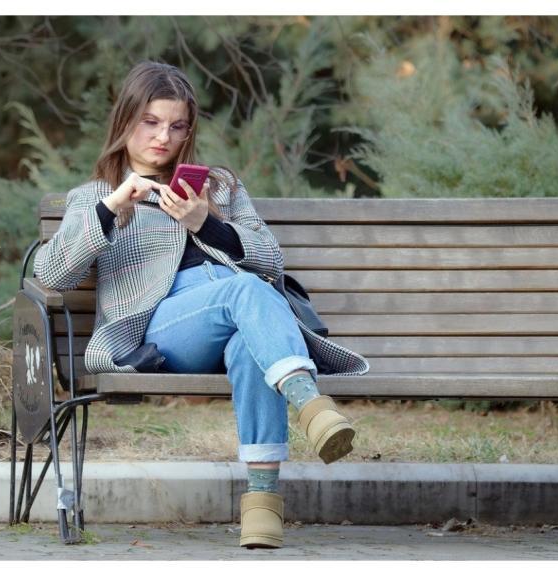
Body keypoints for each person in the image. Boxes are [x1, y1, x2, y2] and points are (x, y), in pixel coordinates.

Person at [34, 60, 366, 549]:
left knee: (250, 341)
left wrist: (206, 222)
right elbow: (52, 274)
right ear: (125, 120)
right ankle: (309, 404)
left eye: (177, 125)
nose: (163, 137)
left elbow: (271, 259)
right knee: (246, 290)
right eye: (150, 122)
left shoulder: (220, 188)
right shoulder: (96, 197)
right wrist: (112, 211)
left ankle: (262, 506)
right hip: (166, 331)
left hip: (241, 319)